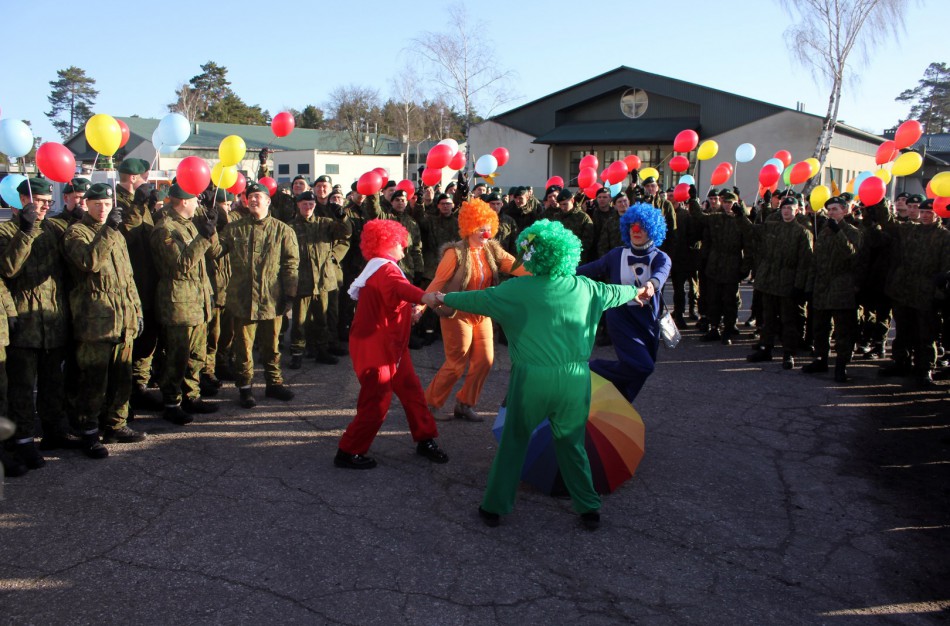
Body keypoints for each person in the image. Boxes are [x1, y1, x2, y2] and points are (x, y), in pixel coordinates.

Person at [435, 219, 644, 530]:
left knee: (514, 442)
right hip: (575, 379)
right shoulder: (587, 287)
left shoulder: (516, 289)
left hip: (531, 378)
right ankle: (588, 507)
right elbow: (620, 291)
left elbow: (475, 299)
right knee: (572, 444)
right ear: (566, 254)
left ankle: (494, 507)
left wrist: (444, 298)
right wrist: (639, 291)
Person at [335, 219, 449, 470]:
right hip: (377, 348)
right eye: (401, 244)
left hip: (391, 346)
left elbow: (392, 300)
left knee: (412, 393)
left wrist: (414, 311)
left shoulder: (379, 267)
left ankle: (425, 438)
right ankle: (348, 450)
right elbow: (400, 289)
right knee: (376, 402)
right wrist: (425, 297)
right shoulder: (385, 270)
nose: (405, 249)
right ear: (388, 243)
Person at [423, 198, 529, 422]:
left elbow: (518, 267)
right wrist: (420, 306)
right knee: (456, 363)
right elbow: (437, 283)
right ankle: (429, 405)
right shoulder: (456, 253)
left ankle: (465, 404)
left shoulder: (492, 250)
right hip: (457, 313)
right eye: (482, 229)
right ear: (470, 227)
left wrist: (546, 273)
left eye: (489, 229)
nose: (486, 234)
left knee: (485, 360)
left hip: (481, 313)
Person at [63, 182, 146, 455]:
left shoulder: (117, 234)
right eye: (97, 204)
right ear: (86, 204)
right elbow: (89, 263)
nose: (102, 209)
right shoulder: (76, 232)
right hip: (94, 321)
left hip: (122, 317)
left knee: (122, 376)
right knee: (93, 380)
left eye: (107, 204)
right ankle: (88, 431)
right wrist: (109, 229)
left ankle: (116, 424)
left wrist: (136, 309)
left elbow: (127, 278)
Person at [578, 202, 671, 403]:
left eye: (642, 227)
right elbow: (590, 270)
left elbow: (660, 275)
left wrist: (651, 285)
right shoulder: (616, 255)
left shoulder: (661, 257)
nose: (636, 231)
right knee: (643, 366)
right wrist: (562, 272)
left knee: (641, 367)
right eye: (632, 226)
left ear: (652, 229)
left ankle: (619, 400)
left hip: (647, 319)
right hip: (620, 317)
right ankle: (589, 370)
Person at [217, 182, 299, 408]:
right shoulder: (235, 228)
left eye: (258, 197)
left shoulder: (283, 230)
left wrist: (290, 294)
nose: (253, 200)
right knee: (243, 347)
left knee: (271, 346)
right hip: (242, 300)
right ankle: (245, 388)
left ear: (268, 201)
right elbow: (215, 252)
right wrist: (209, 232)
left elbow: (291, 264)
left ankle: (274, 384)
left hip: (272, 299)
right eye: (249, 197)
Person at [150, 183, 220, 424]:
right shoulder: (164, 230)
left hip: (197, 300)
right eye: (195, 202)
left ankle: (192, 395)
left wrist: (210, 228)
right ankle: (171, 402)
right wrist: (202, 237)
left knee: (196, 355)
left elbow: (213, 252)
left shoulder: (188, 224)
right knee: (177, 357)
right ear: (183, 201)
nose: (198, 206)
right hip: (178, 304)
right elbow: (179, 266)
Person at [801, 196, 863, 383]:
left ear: (845, 211)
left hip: (842, 287)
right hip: (822, 286)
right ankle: (821, 359)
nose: (831, 213)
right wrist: (809, 285)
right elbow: (816, 260)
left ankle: (841, 365)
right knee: (820, 327)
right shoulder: (825, 232)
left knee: (843, 329)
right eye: (829, 210)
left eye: (835, 209)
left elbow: (852, 254)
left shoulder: (852, 231)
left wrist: (839, 233)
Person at [289, 190, 351, 368]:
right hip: (302, 281)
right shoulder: (291, 227)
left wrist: (342, 218)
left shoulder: (325, 223)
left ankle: (322, 351)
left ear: (315, 206)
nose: (307, 207)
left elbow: (345, 234)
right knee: (299, 321)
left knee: (322, 319)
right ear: (298, 205)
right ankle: (297, 353)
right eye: (304, 204)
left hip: (323, 280)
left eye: (310, 204)